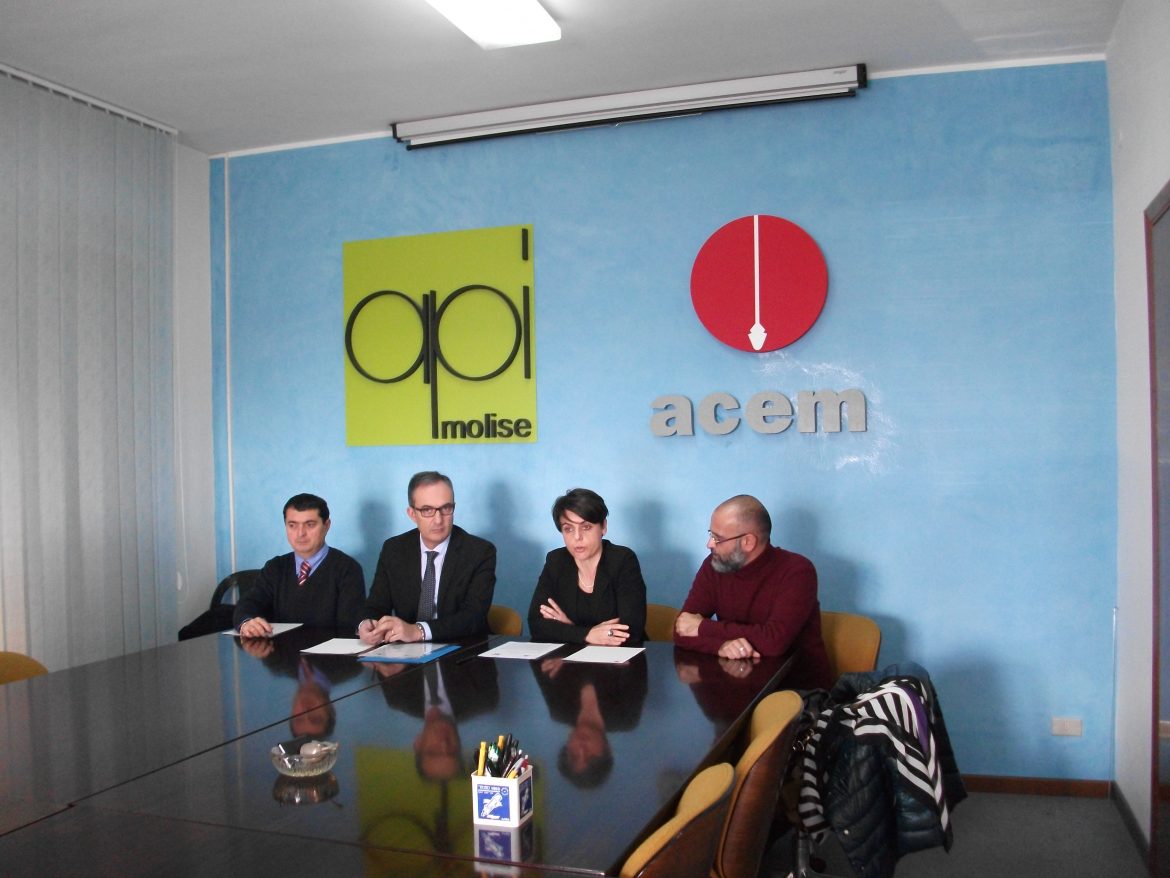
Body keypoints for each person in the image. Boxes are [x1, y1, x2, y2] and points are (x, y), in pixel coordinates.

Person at [673, 494, 831, 690]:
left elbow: (774, 642)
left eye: (717, 538)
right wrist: (720, 646)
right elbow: (681, 629)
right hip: (735, 685)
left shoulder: (797, 571)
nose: (709, 544)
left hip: (796, 692)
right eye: (710, 534)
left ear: (748, 541)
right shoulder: (714, 565)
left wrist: (703, 627)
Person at [359, 471, 496, 644]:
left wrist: (419, 631)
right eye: (427, 510)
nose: (438, 520)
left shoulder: (479, 552)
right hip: (405, 652)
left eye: (446, 508)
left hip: (463, 648)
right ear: (412, 514)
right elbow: (376, 606)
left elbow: (473, 617)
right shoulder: (394, 549)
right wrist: (367, 624)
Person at [527, 488, 647, 645]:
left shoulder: (622, 560)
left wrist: (568, 628)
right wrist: (586, 634)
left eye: (586, 527)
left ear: (603, 527)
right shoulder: (556, 561)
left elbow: (630, 629)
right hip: (571, 657)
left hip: (624, 656)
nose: (577, 537)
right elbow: (536, 624)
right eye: (568, 529)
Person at [234, 493, 366, 637]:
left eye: (310, 525)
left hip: (328, 651)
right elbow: (249, 604)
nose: (300, 533)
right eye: (292, 525)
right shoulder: (275, 567)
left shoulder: (347, 569)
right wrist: (247, 622)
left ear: (326, 525)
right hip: (279, 649)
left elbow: (349, 626)